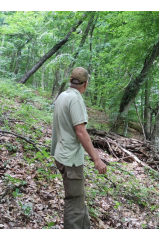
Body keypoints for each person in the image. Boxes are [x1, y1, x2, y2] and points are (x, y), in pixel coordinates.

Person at [50, 67, 107, 229]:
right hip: (70, 161)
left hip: (62, 155)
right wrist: (97, 159)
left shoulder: (62, 96)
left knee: (78, 199)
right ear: (86, 84)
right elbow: (81, 132)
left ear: (70, 81)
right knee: (74, 204)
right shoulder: (75, 99)